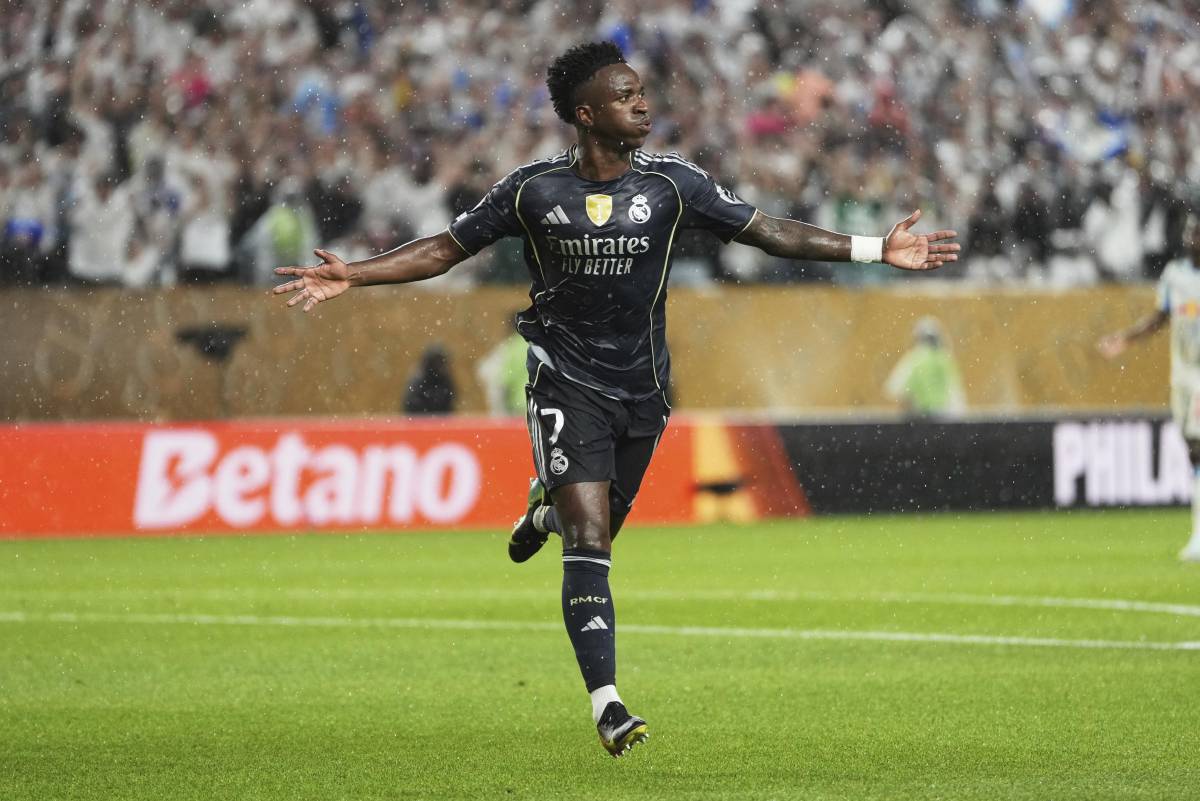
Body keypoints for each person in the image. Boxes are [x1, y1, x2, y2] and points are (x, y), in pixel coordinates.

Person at [272, 41, 960, 757]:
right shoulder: (532, 191)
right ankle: (608, 703)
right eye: (625, 96)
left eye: (641, 93)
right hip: (565, 381)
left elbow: (768, 232)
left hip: (643, 390)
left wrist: (874, 249)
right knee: (591, 541)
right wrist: (357, 274)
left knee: (599, 525)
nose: (642, 105)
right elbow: (446, 248)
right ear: (586, 114)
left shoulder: (673, 184)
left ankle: (542, 511)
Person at [1099, 212, 1200, 562]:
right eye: (1190, 233)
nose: (1193, 239)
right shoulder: (1175, 275)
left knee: (1198, 446)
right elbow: (1161, 316)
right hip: (1182, 373)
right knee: (1192, 448)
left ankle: (1199, 535)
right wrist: (1126, 339)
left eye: (1197, 233)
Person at [884, 316, 966, 418]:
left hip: (921, 418)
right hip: (945, 417)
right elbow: (957, 395)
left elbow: (895, 389)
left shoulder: (915, 359)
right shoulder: (945, 360)